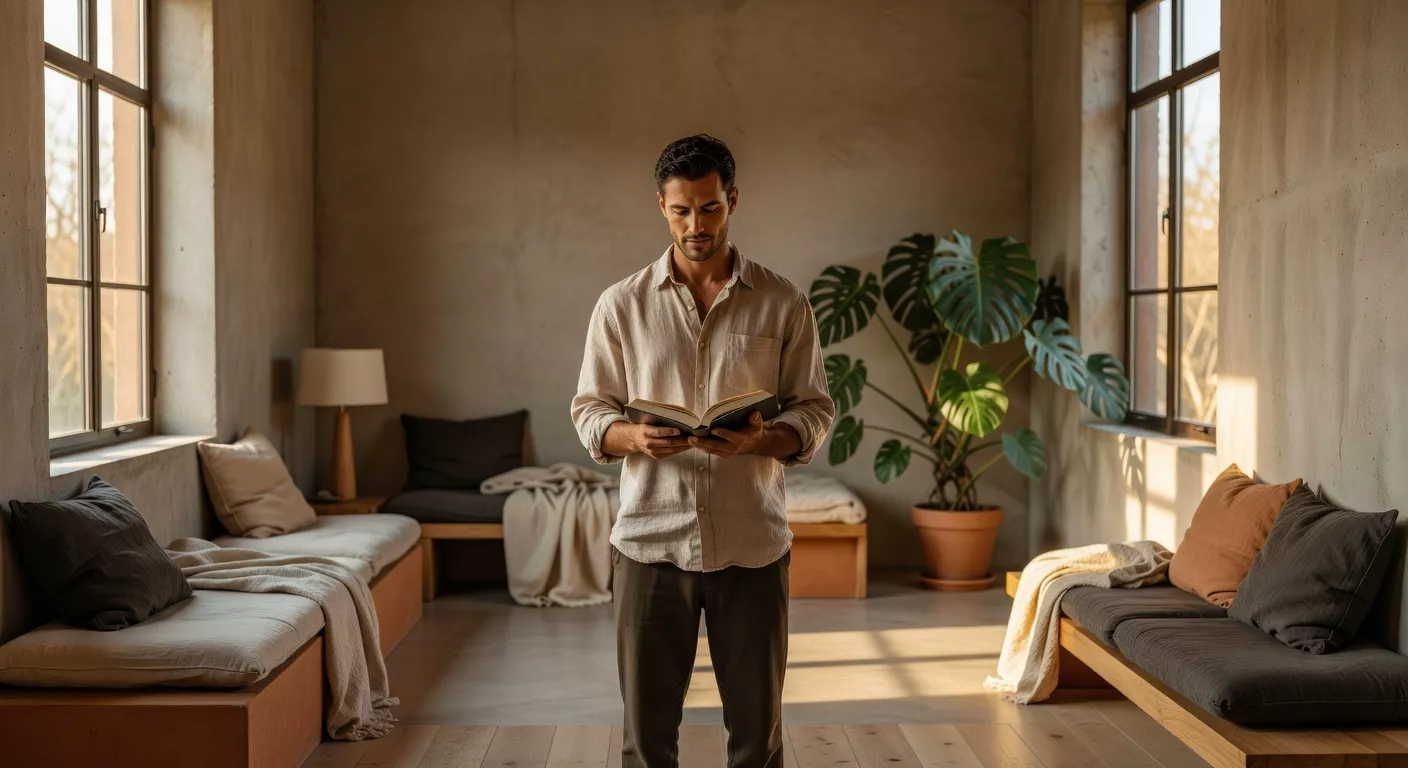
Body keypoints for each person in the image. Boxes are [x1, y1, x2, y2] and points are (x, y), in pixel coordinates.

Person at [570, 134, 836, 768]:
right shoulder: (620, 305)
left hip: (752, 542)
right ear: (661, 207)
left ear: (732, 201)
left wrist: (761, 439)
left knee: (757, 740)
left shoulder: (783, 301)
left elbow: (814, 409)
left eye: (710, 208)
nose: (696, 225)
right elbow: (590, 410)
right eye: (682, 210)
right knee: (646, 741)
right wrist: (634, 436)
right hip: (649, 540)